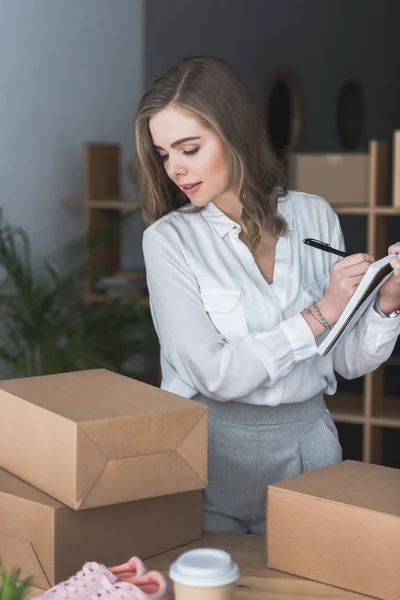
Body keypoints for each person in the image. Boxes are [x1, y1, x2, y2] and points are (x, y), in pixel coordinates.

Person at [133, 56, 400, 534]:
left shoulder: (315, 216)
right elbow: (214, 375)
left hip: (311, 448)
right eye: (163, 154)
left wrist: (385, 301)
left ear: (234, 133)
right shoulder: (168, 242)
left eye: (188, 149)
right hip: (210, 457)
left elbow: (345, 362)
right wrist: (323, 312)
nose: (174, 168)